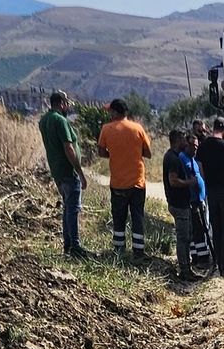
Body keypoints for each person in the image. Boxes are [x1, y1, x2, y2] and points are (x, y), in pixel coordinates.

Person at [96, 96, 152, 260]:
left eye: (110, 111)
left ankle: (119, 251)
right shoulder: (138, 128)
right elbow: (148, 153)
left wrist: (113, 154)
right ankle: (139, 252)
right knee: (137, 217)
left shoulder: (106, 129)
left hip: (118, 183)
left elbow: (100, 152)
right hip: (137, 183)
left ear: (114, 112)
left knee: (119, 218)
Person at [38, 89, 87, 258]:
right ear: (62, 103)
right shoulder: (60, 120)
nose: (68, 107)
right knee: (72, 209)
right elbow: (68, 147)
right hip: (68, 170)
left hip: (57, 170)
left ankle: (68, 245)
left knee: (67, 208)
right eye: (67, 104)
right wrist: (79, 171)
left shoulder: (44, 120)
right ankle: (75, 246)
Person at [193, 119, 224, 275]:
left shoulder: (203, 146)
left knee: (216, 228)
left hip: (211, 193)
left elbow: (200, 170)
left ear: (213, 128)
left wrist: (209, 183)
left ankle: (218, 264)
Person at [161, 124, 206, 278]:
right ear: (177, 140)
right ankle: (185, 271)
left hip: (182, 203)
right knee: (183, 238)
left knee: (187, 236)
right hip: (178, 204)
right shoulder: (173, 158)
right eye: (183, 140)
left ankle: (188, 269)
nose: (186, 144)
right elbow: (173, 181)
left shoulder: (174, 156)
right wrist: (189, 182)